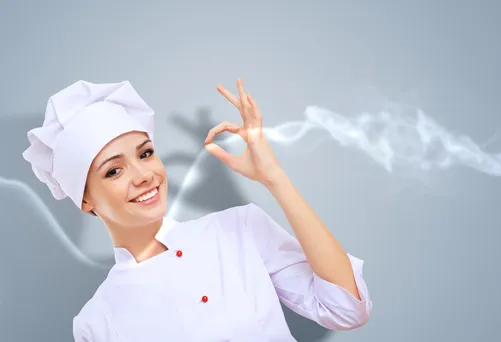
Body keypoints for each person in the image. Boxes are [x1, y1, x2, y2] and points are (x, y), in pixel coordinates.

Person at [22, 78, 372, 341]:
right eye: (114, 171)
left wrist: (274, 178)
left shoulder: (239, 229)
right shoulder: (98, 322)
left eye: (145, 153)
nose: (144, 176)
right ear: (86, 200)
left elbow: (346, 309)